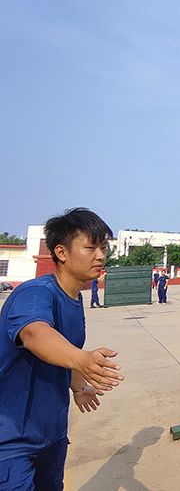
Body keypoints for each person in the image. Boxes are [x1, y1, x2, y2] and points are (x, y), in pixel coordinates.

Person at [0, 208, 124, 489]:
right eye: (90, 247)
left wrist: (77, 384)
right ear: (61, 252)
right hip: (10, 443)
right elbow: (35, 333)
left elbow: (57, 354)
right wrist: (81, 359)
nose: (101, 256)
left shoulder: (74, 298)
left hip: (52, 436)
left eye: (103, 247)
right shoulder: (36, 293)